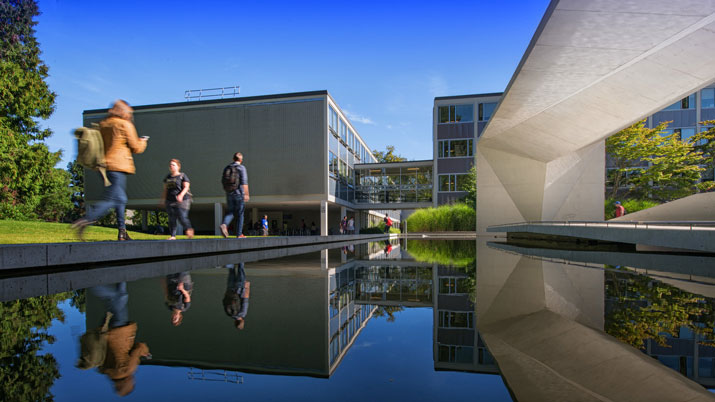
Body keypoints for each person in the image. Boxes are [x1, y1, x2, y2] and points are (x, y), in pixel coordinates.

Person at [72, 100, 147, 241]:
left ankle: (122, 232)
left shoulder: (104, 124)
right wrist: (143, 141)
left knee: (120, 200)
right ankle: (86, 219)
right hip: (119, 166)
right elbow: (136, 147)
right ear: (124, 111)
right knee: (114, 199)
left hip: (105, 167)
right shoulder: (124, 124)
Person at [86, 282, 150, 397]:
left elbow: (139, 348)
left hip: (120, 330)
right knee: (117, 299)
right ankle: (121, 274)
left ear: (127, 383)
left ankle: (89, 283)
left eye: (132, 382)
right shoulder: (104, 370)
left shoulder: (128, 370)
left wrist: (145, 352)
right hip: (106, 331)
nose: (133, 379)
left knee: (119, 297)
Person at [161, 159, 194, 240]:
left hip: (183, 200)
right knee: (171, 218)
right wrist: (163, 199)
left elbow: (186, 187)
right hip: (170, 200)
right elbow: (165, 189)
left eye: (173, 165)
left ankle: (189, 229)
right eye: (170, 165)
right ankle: (172, 236)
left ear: (178, 167)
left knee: (182, 216)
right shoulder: (168, 177)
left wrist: (181, 195)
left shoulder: (182, 176)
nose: (171, 166)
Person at [220, 152, 249, 238]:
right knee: (240, 213)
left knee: (231, 212)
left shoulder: (227, 167)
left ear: (233, 159)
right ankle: (239, 234)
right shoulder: (241, 168)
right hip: (239, 194)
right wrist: (246, 194)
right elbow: (244, 182)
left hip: (229, 193)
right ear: (241, 160)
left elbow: (223, 181)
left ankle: (224, 224)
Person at [223, 263, 250, 330]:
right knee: (231, 270)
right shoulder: (230, 313)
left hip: (240, 288)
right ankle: (226, 263)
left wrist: (247, 287)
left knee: (241, 267)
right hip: (230, 288)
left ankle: (241, 254)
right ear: (235, 322)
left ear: (243, 321)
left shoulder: (243, 313)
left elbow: (245, 298)